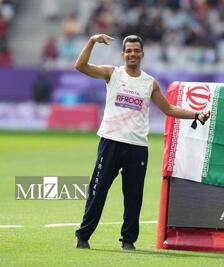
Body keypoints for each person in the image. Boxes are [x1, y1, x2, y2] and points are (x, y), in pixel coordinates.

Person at [74, 34, 210, 251]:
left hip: (137, 147)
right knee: (98, 191)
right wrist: (91, 41)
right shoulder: (113, 74)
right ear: (123, 54)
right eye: (129, 51)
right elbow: (80, 66)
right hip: (111, 141)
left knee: (134, 196)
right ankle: (83, 236)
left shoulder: (149, 83)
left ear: (142, 54)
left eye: (136, 50)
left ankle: (128, 241)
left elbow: (169, 109)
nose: (132, 54)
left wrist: (196, 114)